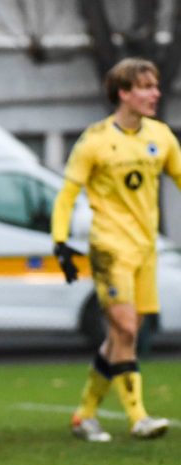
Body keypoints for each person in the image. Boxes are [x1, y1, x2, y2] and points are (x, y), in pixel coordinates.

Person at [51, 57, 180, 442]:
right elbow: (66, 195)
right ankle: (138, 416)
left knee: (123, 337)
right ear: (123, 93)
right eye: (146, 86)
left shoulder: (162, 137)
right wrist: (60, 242)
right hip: (108, 247)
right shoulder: (94, 141)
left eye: (156, 85)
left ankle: (84, 415)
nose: (155, 93)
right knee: (124, 327)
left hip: (145, 249)